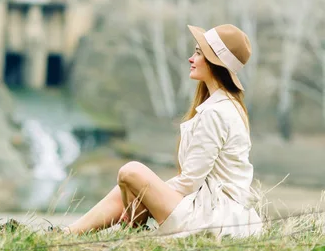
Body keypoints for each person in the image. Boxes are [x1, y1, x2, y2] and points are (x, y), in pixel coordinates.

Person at [63, 24, 262, 238]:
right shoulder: (227, 105)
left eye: (197, 53)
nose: (191, 58)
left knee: (131, 171)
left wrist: (145, 196)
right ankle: (65, 233)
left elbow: (190, 181)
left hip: (213, 217)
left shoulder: (215, 112)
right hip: (219, 212)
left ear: (215, 62)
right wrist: (143, 194)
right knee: (131, 184)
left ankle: (128, 226)